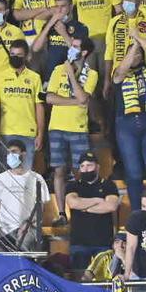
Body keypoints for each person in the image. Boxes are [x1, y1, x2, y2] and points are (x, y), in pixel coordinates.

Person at [45, 35, 97, 220]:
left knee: (80, 171)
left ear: (84, 52)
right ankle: (61, 213)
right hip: (56, 127)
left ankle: (81, 210)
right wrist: (75, 101)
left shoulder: (91, 74)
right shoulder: (58, 69)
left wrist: (71, 76)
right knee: (59, 170)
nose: (71, 48)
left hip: (78, 128)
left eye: (75, 46)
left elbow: (84, 99)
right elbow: (49, 98)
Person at [112, 27, 146, 209]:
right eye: (133, 55)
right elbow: (121, 69)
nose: (136, 57)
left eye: (140, 55)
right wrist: (133, 47)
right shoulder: (119, 74)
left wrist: (139, 40)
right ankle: (137, 213)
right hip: (127, 125)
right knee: (133, 173)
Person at [0, 40, 43, 171]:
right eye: (12, 54)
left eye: (19, 55)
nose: (15, 57)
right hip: (5, 132)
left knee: (25, 174)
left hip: (28, 133)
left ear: (26, 56)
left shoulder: (35, 78)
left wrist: (40, 133)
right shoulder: (0, 77)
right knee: (4, 174)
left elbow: (39, 107)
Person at [0, 141, 49, 249]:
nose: (10, 155)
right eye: (8, 153)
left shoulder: (37, 178)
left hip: (29, 229)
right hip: (5, 231)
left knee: (24, 249)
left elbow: (41, 208)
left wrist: (27, 224)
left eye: (14, 152)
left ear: (23, 154)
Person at [65, 152, 119, 269]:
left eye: (89, 165)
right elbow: (73, 203)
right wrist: (97, 200)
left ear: (97, 167)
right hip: (79, 242)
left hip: (103, 242)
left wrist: (84, 207)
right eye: (82, 166)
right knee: (78, 280)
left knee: (104, 280)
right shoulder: (73, 186)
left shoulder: (109, 185)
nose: (86, 169)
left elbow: (111, 206)